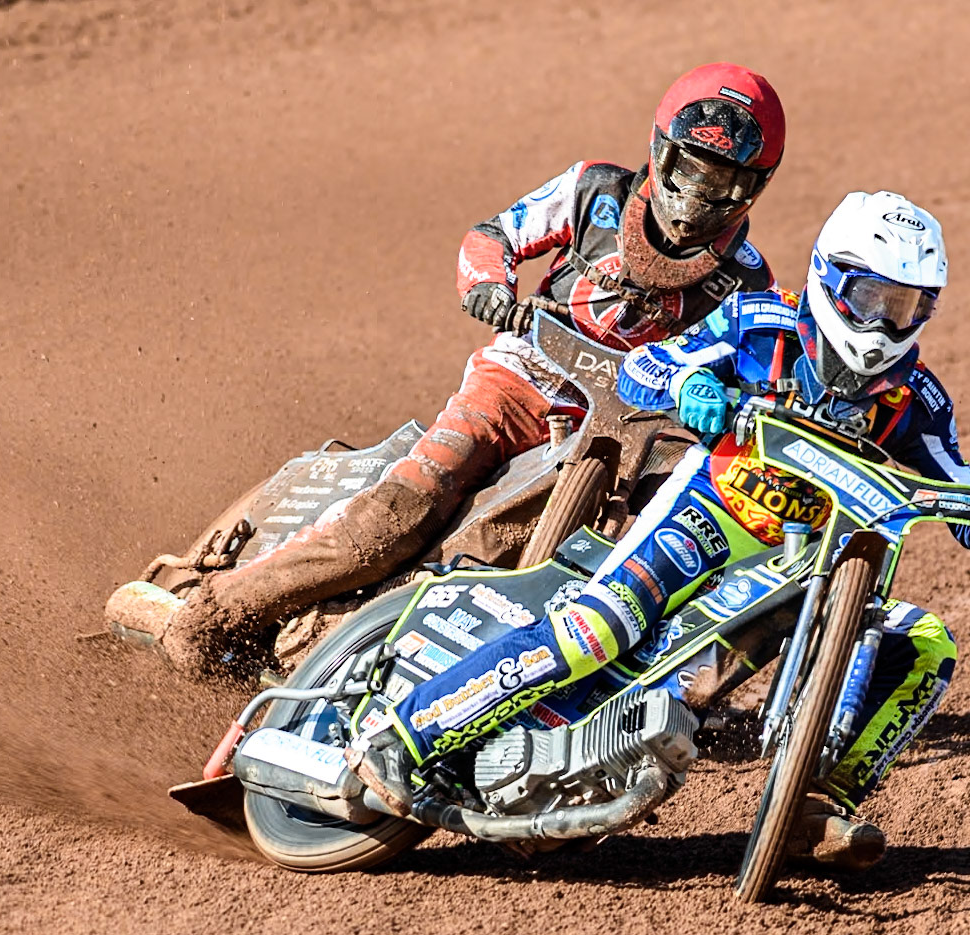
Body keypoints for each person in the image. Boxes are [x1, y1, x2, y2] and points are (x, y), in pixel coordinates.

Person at [348, 190, 970, 871]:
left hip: (802, 566)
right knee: (601, 627)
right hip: (708, 513)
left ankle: (813, 806)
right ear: (830, 280)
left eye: (908, 305)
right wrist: (692, 385)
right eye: (872, 298)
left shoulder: (916, 400)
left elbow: (962, 493)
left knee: (923, 644)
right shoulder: (761, 322)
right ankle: (407, 733)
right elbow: (644, 370)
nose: (887, 322)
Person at [125, 64, 786, 673]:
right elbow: (492, 236)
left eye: (722, 180)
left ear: (751, 188)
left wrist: (721, 392)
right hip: (520, 380)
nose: (699, 195)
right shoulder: (595, 191)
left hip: (619, 436)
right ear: (660, 149)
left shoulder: (748, 281)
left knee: (609, 558)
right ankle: (214, 615)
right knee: (395, 519)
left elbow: (753, 370)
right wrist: (487, 284)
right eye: (691, 167)